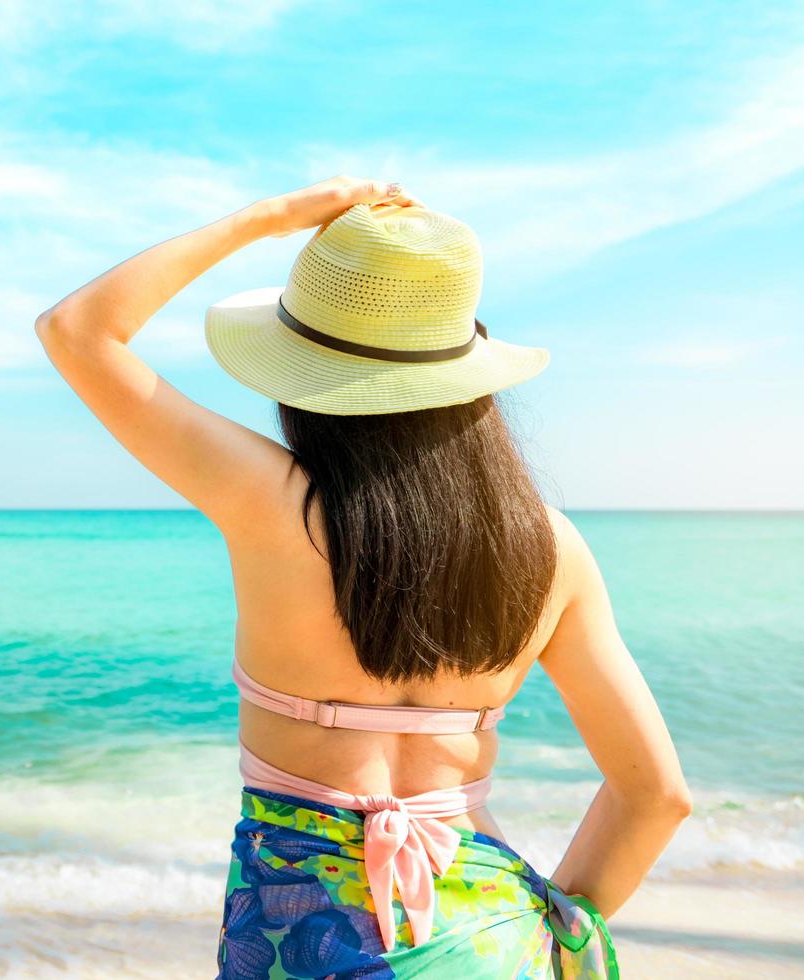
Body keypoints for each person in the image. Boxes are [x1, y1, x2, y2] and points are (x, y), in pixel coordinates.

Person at [34, 176, 691, 978]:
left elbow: (79, 330)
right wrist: (559, 927)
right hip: (495, 936)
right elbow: (658, 795)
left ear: (303, 377)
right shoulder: (552, 551)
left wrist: (269, 218)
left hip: (307, 946)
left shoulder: (274, 505)